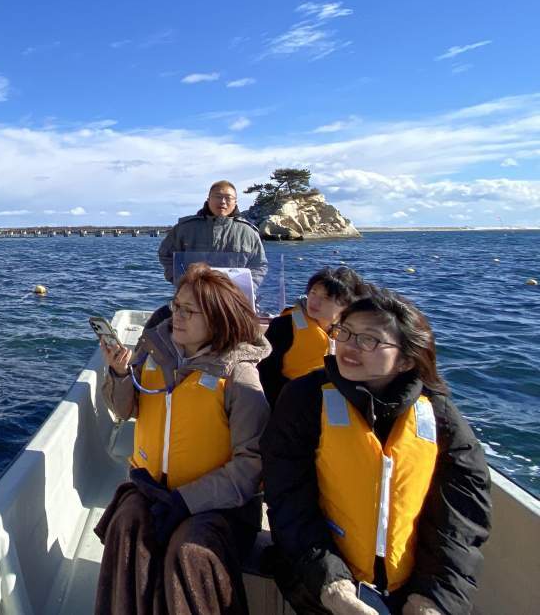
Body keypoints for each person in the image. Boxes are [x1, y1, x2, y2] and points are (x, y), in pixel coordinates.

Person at [261, 288, 491, 615]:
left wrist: (433, 599)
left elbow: (460, 519)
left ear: (407, 359)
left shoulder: (440, 417)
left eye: (369, 340)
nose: (350, 346)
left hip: (412, 587)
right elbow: (288, 499)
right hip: (318, 576)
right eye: (345, 333)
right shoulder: (304, 399)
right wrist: (333, 586)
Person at [94, 263, 271, 615]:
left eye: (190, 310)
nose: (177, 315)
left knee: (189, 549)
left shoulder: (240, 378)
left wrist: (187, 501)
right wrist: (118, 373)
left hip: (220, 506)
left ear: (218, 319)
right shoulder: (155, 353)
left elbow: (250, 467)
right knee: (127, 521)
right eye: (177, 306)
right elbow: (124, 410)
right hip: (152, 488)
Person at [258, 266, 367, 408]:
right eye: (313, 292)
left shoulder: (351, 334)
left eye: (326, 298)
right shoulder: (284, 326)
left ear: (346, 305)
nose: (314, 301)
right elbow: (265, 375)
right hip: (290, 404)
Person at [157, 180, 268, 289]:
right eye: (218, 196)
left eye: (228, 198)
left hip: (233, 299)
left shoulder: (248, 232)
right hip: (193, 296)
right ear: (208, 199)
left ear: (235, 202)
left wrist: (245, 288)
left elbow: (259, 265)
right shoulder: (185, 228)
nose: (223, 201)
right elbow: (165, 255)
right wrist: (182, 281)